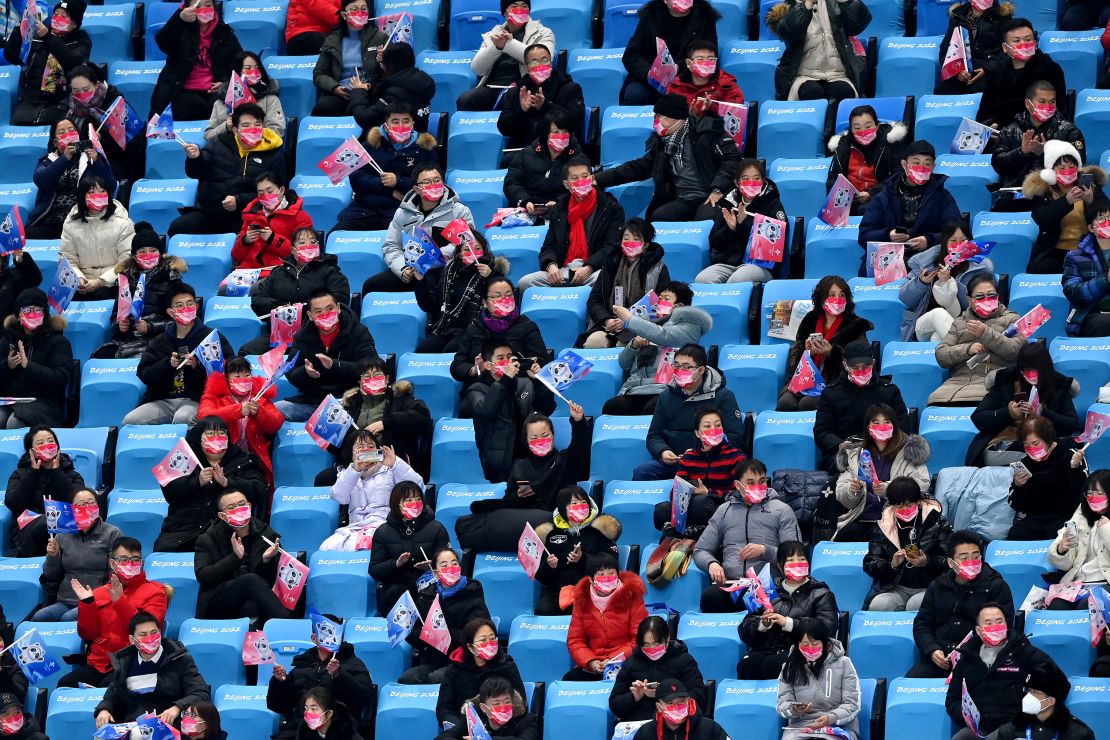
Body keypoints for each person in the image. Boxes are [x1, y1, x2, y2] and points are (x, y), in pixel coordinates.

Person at [456, 406, 590, 554]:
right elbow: (508, 501)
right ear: (526, 440)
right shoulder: (519, 466)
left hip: (551, 518)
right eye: (534, 438)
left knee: (543, 521)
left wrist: (578, 421)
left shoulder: (565, 460)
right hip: (520, 518)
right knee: (466, 523)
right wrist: (518, 496)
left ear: (553, 435)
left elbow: (580, 446)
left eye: (545, 435)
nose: (540, 440)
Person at [595, 95, 739, 223]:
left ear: (675, 118)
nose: (655, 121)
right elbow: (637, 167)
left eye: (659, 116)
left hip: (710, 196)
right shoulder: (662, 145)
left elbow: (732, 159)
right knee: (660, 216)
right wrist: (598, 178)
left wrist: (718, 189)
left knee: (706, 218)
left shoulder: (707, 132)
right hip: (683, 199)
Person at [693, 458, 803, 613]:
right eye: (751, 483)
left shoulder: (782, 510)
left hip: (769, 587)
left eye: (762, 481)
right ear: (738, 485)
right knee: (710, 597)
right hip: (733, 585)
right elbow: (700, 550)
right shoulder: (724, 511)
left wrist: (765, 551)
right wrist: (712, 564)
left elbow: (796, 556)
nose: (758, 486)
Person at [62, 536, 168, 689]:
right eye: (124, 560)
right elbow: (88, 634)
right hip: (100, 663)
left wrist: (120, 601)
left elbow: (145, 631)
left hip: (132, 662)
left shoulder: (156, 592)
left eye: (136, 560)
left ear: (142, 562)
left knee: (108, 689)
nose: (130, 564)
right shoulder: (100, 592)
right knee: (65, 685)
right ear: (113, 563)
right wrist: (87, 604)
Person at [123, 282, 234, 426]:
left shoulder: (211, 337)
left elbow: (228, 369)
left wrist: (198, 365)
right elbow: (144, 373)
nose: (186, 308)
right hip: (161, 400)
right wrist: (167, 364)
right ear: (170, 312)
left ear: (196, 307)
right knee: (131, 420)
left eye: (190, 304)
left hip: (197, 399)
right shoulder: (160, 341)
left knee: (183, 418)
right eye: (179, 305)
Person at [908, 529, 1015, 678]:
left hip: (978, 659)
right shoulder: (937, 586)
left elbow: (1003, 628)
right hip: (940, 659)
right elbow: (922, 624)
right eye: (964, 558)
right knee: (911, 686)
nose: (971, 562)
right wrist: (932, 649)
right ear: (951, 562)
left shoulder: (996, 587)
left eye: (976, 556)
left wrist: (968, 652)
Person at [155, 415, 268, 552]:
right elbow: (170, 492)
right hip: (183, 531)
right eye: (210, 434)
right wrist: (197, 482)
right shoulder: (185, 456)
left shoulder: (243, 460)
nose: (217, 438)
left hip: (226, 532)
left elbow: (259, 490)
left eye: (222, 434)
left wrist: (227, 482)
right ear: (199, 437)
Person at [171, 103, 286, 237]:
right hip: (210, 212)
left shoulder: (274, 155)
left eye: (257, 124)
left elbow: (277, 194)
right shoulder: (218, 143)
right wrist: (196, 158)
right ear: (236, 130)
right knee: (178, 228)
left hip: (246, 216)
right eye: (246, 125)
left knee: (245, 239)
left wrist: (240, 201)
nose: (253, 129)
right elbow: (195, 173)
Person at [946, 603, 1058, 740]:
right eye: (988, 623)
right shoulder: (967, 658)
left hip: (1015, 726)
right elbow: (952, 699)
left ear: (1006, 624)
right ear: (979, 630)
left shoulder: (1024, 652)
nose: (995, 626)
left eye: (999, 622)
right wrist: (966, 717)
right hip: (978, 726)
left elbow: (1056, 682)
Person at [635, 343, 743, 481]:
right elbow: (654, 435)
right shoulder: (666, 397)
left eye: (686, 367)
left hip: (710, 462)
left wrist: (699, 453)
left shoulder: (723, 396)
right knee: (642, 472)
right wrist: (663, 451)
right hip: (676, 461)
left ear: (701, 369)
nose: (680, 370)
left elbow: (734, 436)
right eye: (676, 365)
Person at [362, 163, 475, 294]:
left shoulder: (458, 211)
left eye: (437, 180)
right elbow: (391, 246)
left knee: (429, 287)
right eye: (426, 182)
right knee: (371, 285)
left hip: (443, 269)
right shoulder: (403, 213)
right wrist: (402, 269)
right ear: (416, 189)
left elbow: (466, 244)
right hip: (410, 269)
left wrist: (426, 263)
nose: (433, 185)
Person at [602, 282, 713, 416]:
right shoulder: (647, 325)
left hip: (665, 389)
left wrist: (629, 319)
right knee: (612, 407)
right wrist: (634, 345)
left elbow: (663, 335)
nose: (660, 302)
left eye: (666, 299)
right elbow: (623, 363)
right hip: (635, 389)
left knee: (653, 408)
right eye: (659, 298)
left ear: (679, 306)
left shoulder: (690, 325)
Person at [516, 155, 623, 290]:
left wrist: (589, 267)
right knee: (525, 283)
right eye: (575, 178)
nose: (581, 181)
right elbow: (549, 246)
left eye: (585, 176)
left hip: (593, 270)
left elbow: (611, 247)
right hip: (564, 270)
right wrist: (551, 266)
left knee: (603, 279)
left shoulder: (611, 207)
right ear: (567, 184)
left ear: (593, 178)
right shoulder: (559, 208)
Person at [967, 341, 1080, 466]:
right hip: (1006, 442)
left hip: (1045, 442)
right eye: (1027, 370)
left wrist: (1043, 412)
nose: (1031, 373)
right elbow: (978, 417)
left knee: (1057, 450)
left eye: (1035, 369)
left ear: (1045, 368)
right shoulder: (1005, 381)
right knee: (1041, 455)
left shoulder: (1059, 385)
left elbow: (1071, 425)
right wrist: (1008, 413)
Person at [738, 542, 839, 680]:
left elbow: (827, 629)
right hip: (768, 649)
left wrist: (789, 623)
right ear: (780, 566)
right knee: (747, 664)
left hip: (802, 651)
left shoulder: (822, 594)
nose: (797, 563)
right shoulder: (767, 590)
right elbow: (744, 630)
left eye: (802, 559)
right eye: (790, 560)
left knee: (773, 664)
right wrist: (761, 625)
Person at [93, 610, 210, 728]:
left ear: (160, 632)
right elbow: (111, 697)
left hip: (168, 725)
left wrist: (177, 707)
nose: (150, 638)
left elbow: (201, 693)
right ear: (132, 640)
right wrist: (104, 710)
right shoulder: (124, 663)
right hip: (131, 725)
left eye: (154, 632)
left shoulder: (179, 659)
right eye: (143, 635)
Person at [334, 102, 438, 232]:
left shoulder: (425, 149)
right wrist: (386, 187)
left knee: (398, 241)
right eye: (395, 121)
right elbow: (356, 178)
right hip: (364, 209)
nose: (400, 126)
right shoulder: (368, 145)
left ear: (413, 123)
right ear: (386, 124)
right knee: (335, 236)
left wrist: (398, 181)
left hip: (402, 210)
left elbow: (432, 182)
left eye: (405, 121)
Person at [277, 289, 378, 422]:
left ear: (338, 308)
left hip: (348, 401)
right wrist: (306, 373)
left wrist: (335, 365)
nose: (325, 314)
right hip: (314, 401)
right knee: (275, 412)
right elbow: (290, 371)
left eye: (329, 309)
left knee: (335, 423)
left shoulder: (358, 332)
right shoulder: (302, 336)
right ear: (310, 315)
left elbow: (371, 368)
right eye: (318, 311)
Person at [833, 405, 931, 542]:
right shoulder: (855, 455)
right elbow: (842, 494)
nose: (882, 426)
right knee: (845, 536)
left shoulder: (910, 452)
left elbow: (922, 484)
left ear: (894, 426)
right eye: (876, 423)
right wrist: (854, 490)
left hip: (900, 518)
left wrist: (888, 489)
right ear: (868, 428)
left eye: (887, 422)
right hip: (864, 519)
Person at [462, 341, 557, 483]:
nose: (507, 361)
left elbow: (546, 410)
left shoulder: (524, 383)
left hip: (530, 457)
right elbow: (487, 411)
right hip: (501, 463)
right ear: (488, 365)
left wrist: (538, 381)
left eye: (509, 356)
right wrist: (505, 380)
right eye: (500, 358)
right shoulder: (476, 390)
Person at [857, 140, 963, 266]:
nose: (921, 168)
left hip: (927, 261)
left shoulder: (943, 197)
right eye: (916, 162)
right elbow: (864, 235)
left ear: (933, 167)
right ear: (904, 164)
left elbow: (957, 234)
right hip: (887, 261)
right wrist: (888, 235)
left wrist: (929, 240)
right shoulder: (884, 196)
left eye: (927, 164)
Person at [813, 341, 911, 475]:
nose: (861, 371)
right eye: (855, 367)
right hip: (845, 455)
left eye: (865, 366)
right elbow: (822, 431)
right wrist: (841, 445)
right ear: (845, 365)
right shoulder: (831, 393)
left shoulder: (889, 391)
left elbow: (903, 426)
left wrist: (882, 445)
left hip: (884, 451)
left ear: (874, 362)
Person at [777, 277, 873, 412]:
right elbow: (794, 361)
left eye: (841, 295)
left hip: (836, 383)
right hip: (806, 379)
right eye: (832, 295)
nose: (837, 299)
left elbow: (859, 363)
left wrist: (832, 352)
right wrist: (808, 352)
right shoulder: (810, 319)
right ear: (822, 299)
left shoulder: (855, 325)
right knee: (785, 404)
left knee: (807, 404)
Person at [194, 488, 292, 622]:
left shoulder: (266, 535)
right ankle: (287, 622)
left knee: (251, 608)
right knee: (249, 579)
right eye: (231, 507)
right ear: (222, 516)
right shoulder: (208, 539)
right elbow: (204, 576)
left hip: (252, 598)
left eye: (242, 504)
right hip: (219, 601)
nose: (238, 509)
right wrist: (234, 558)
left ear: (250, 506)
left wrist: (266, 561)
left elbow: (271, 581)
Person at [266, 616, 372, 739]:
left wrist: (340, 676)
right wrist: (280, 683)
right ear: (314, 638)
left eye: (334, 633)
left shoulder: (353, 664)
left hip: (339, 730)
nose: (330, 638)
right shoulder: (301, 666)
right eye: (324, 633)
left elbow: (365, 698)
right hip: (299, 729)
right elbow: (279, 706)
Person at [927, 274, 1024, 406]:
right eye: (979, 297)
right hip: (955, 384)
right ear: (969, 300)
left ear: (998, 296)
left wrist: (985, 333)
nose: (986, 299)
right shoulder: (959, 322)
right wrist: (966, 349)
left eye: (991, 295)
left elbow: (1015, 351)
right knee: (934, 399)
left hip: (993, 382)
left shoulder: (1012, 319)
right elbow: (941, 355)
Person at [399, 547, 491, 684]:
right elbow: (413, 632)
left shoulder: (472, 595)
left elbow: (478, 635)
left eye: (454, 563)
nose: (451, 568)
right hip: (433, 659)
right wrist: (427, 635)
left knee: (437, 679)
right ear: (435, 573)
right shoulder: (426, 597)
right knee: (407, 678)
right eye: (444, 565)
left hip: (462, 659)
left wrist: (445, 635)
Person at [322, 430, 425, 550]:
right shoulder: (346, 473)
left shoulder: (389, 468)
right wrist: (355, 470)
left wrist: (396, 464)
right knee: (327, 546)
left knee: (368, 543)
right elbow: (339, 496)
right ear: (352, 453)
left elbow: (418, 487)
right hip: (355, 527)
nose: (367, 450)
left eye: (371, 446)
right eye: (361, 447)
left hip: (385, 523)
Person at [654, 406, 747, 539]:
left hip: (719, 507)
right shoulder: (688, 457)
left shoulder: (736, 457)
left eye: (717, 425)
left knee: (703, 504)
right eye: (707, 426)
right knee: (662, 510)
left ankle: (691, 533)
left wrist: (709, 493)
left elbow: (740, 494)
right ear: (698, 433)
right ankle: (687, 532)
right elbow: (675, 492)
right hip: (689, 506)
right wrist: (685, 491)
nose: (713, 430)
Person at [580, 218, 672, 348]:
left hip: (642, 326)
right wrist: (607, 320)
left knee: (622, 345)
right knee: (593, 343)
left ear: (645, 245)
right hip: (610, 325)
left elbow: (664, 305)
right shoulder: (611, 264)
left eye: (636, 239)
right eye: (626, 238)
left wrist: (630, 321)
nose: (630, 242)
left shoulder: (658, 269)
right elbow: (594, 301)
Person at [863, 479, 953, 611]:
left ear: (918, 501)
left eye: (909, 504)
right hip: (895, 588)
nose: (905, 509)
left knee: (915, 605)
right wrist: (891, 565)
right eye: (899, 506)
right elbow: (870, 564)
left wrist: (927, 561)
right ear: (892, 505)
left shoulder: (937, 523)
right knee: (879, 605)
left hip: (929, 586)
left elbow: (953, 561)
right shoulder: (883, 526)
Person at [898, 219, 995, 342]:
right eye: (953, 241)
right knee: (939, 313)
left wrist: (950, 283)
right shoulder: (924, 263)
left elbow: (978, 305)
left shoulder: (978, 268)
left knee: (937, 339)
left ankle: (959, 351)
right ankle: (964, 348)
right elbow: (905, 298)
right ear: (945, 242)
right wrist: (922, 283)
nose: (959, 245)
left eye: (963, 240)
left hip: (960, 322)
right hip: (924, 323)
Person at [102, 222, 188, 360]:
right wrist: (120, 326)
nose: (148, 255)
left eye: (153, 250)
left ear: (160, 253)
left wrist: (151, 327)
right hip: (128, 340)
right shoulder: (124, 279)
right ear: (134, 256)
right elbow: (115, 316)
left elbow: (183, 319)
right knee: (100, 355)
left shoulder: (172, 279)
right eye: (142, 252)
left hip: (160, 339)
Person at [333, 358, 431, 477]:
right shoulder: (351, 404)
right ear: (360, 382)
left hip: (389, 462)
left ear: (387, 378)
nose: (372, 379)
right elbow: (339, 447)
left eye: (377, 375)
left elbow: (421, 417)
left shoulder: (401, 398)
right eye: (367, 376)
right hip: (357, 463)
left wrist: (386, 423)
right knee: (324, 478)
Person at [35, 487, 121, 622]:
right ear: (71, 510)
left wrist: (99, 596)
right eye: (81, 504)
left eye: (91, 502)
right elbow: (50, 575)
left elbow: (115, 574)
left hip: (95, 599)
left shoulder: (112, 533)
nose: (87, 507)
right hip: (65, 600)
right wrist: (53, 556)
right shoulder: (62, 535)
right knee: (40, 617)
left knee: (68, 618)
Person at [198, 356, 285, 489]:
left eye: (246, 375)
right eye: (237, 376)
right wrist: (237, 410)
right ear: (227, 379)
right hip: (223, 459)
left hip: (253, 460)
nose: (242, 379)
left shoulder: (260, 397)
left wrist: (259, 412)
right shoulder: (214, 396)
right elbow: (203, 418)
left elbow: (276, 424)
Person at [148, 0, 243, 121]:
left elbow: (240, 64)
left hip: (213, 92)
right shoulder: (180, 29)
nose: (204, 9)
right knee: (192, 105)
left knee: (222, 109)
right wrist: (179, 18)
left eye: (208, 5)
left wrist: (227, 84)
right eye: (198, 6)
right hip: (182, 91)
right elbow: (163, 43)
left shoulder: (225, 34)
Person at [413, 233, 508, 354]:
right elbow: (428, 305)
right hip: (445, 328)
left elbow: (501, 305)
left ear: (484, 250)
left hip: (475, 329)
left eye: (477, 248)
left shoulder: (493, 272)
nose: (473, 252)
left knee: (451, 351)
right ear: (459, 253)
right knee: (423, 350)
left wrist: (491, 277)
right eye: (467, 249)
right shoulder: (449, 273)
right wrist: (420, 282)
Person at [696, 158, 787, 285]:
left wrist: (745, 223)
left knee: (737, 280)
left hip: (759, 266)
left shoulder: (772, 204)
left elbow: (775, 242)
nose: (751, 183)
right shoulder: (728, 203)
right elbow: (715, 242)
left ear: (763, 181)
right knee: (702, 279)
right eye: (745, 178)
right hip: (728, 263)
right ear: (737, 182)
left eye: (756, 178)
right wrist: (730, 229)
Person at [1024, 140, 1107, 275]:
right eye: (1061, 168)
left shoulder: (1091, 186)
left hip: (1089, 248)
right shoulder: (1043, 190)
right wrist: (1065, 202)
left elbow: (1106, 215)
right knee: (1043, 268)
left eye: (1071, 166)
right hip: (1055, 251)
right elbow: (1042, 220)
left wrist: (1091, 201)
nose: (1067, 171)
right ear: (1051, 171)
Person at [535, 486, 620, 615]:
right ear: (563, 508)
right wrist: (548, 565)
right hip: (557, 591)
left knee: (576, 611)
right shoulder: (550, 534)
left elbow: (611, 563)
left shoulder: (600, 529)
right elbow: (540, 576)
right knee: (543, 610)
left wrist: (583, 558)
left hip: (590, 589)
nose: (580, 506)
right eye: (574, 503)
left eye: (584, 502)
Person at [2, 0, 90, 125]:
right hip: (30, 101)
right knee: (19, 123)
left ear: (74, 24)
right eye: (55, 14)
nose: (57, 18)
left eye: (63, 16)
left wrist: (48, 37)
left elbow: (72, 61)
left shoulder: (81, 40)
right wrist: (20, 28)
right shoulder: (37, 34)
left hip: (61, 102)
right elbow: (11, 56)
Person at [26, 116, 116, 240]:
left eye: (72, 130)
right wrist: (64, 159)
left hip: (81, 221)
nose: (68, 134)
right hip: (51, 222)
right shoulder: (48, 161)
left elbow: (111, 186)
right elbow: (41, 180)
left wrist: (97, 162)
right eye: (62, 133)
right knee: (25, 237)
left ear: (78, 134)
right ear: (56, 143)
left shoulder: (90, 158)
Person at [367, 481, 449, 614]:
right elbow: (374, 569)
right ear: (396, 503)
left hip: (430, 592)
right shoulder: (382, 532)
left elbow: (449, 561)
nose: (415, 503)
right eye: (409, 500)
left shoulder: (437, 528)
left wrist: (434, 565)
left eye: (418, 499)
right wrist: (396, 563)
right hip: (397, 596)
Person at [764, 0, 870, 103]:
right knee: (812, 92)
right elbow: (790, 34)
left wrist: (846, 2)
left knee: (843, 91)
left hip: (838, 74)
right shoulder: (788, 7)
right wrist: (807, 4)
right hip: (803, 75)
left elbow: (859, 24)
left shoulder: (835, 4)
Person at [620, 0, 721, 106]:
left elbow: (709, 57)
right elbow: (631, 55)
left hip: (688, 78)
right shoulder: (651, 14)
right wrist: (649, 73)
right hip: (651, 78)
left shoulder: (704, 17)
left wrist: (678, 68)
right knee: (635, 95)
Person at [565, 553, 648, 681]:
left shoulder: (633, 597)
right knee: (569, 679)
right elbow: (575, 640)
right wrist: (591, 661)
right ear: (591, 580)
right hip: (595, 665)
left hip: (625, 663)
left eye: (611, 573)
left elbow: (639, 638)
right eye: (601, 574)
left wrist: (613, 659)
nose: (607, 578)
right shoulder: (582, 601)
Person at [4, 425, 85, 557]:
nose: (47, 445)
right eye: (40, 443)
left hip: (65, 537)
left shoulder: (72, 475)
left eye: (51, 441)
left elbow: (78, 505)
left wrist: (56, 473)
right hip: (28, 539)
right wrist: (32, 474)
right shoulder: (20, 474)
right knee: (46, 520)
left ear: (57, 446)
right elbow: (13, 504)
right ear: (31, 451)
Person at [460, 0, 555, 111]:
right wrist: (497, 47)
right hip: (493, 87)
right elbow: (478, 69)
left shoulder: (543, 33)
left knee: (511, 100)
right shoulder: (493, 34)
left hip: (523, 87)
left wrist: (508, 44)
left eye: (524, 6)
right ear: (505, 12)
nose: (520, 10)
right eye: (514, 6)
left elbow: (542, 60)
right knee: (466, 100)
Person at [435, 617, 527, 732]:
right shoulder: (455, 670)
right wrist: (462, 728)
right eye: (483, 640)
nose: (489, 643)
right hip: (465, 729)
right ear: (470, 646)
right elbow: (444, 709)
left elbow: (521, 703)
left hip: (502, 730)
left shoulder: (507, 665)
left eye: (492, 639)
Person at [449, 277, 547, 383]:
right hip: (482, 388)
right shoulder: (475, 328)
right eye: (497, 296)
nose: (504, 299)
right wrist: (475, 369)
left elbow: (541, 360)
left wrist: (529, 368)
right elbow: (457, 365)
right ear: (485, 302)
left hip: (517, 386)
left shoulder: (527, 326)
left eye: (509, 295)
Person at [0, 288, 74, 429]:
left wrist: (28, 367)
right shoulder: (7, 340)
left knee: (14, 423)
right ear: (18, 315)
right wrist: (7, 365)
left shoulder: (58, 341)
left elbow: (60, 378)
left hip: (46, 402)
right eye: (27, 310)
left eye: (37, 310)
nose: (32, 314)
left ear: (45, 313)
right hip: (11, 401)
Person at [776, 618, 861, 740]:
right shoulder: (789, 667)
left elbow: (853, 704)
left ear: (825, 642)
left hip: (837, 727)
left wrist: (830, 718)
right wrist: (793, 709)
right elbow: (782, 706)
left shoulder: (844, 664)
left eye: (815, 644)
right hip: (800, 728)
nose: (810, 648)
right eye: (804, 644)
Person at [609, 616, 706, 723]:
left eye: (656, 644)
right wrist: (634, 697)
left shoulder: (684, 660)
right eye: (646, 645)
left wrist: (667, 695)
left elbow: (700, 697)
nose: (651, 649)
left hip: (676, 723)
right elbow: (614, 705)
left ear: (667, 638)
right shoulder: (631, 663)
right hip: (639, 723)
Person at [991, 81, 1085, 189]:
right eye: (1042, 101)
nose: (1048, 106)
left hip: (1054, 192)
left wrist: (1046, 153)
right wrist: (1021, 152)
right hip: (1018, 192)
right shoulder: (1009, 131)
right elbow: (998, 166)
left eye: (1052, 102)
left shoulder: (1070, 131)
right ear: (1028, 103)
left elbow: (1079, 162)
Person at [1008, 416, 1088, 540]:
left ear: (1048, 439)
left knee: (1058, 534)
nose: (1031, 449)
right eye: (1026, 445)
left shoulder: (1071, 456)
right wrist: (1018, 486)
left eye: (1035, 443)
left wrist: (1074, 469)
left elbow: (1083, 495)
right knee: (1015, 533)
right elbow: (1016, 505)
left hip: (1066, 517)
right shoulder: (1024, 464)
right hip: (1034, 519)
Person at [977, 18, 1066, 127]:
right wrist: (989, 127)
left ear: (1035, 42)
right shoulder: (997, 74)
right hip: (998, 136)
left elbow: (1056, 112)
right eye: (1016, 41)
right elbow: (984, 113)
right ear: (1005, 48)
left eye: (1027, 39)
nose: (1023, 44)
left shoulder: (1050, 70)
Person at [60, 175, 135, 301]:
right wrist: (79, 279)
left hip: (113, 281)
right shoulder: (70, 224)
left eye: (102, 191)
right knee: (66, 297)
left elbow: (126, 261)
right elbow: (68, 259)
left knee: (102, 295)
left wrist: (100, 282)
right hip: (83, 282)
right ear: (82, 197)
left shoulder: (123, 223)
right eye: (91, 192)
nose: (98, 195)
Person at [496, 43, 584, 151]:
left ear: (551, 62)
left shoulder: (570, 88)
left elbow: (575, 121)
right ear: (526, 66)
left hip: (559, 152)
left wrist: (546, 106)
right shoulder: (516, 91)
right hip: (523, 151)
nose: (540, 65)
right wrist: (521, 111)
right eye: (534, 62)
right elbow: (504, 129)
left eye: (545, 60)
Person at [249, 228, 350, 320]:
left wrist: (303, 309)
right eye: (302, 242)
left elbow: (340, 299)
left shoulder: (330, 271)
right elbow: (258, 299)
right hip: (281, 329)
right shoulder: (279, 273)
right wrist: (278, 306)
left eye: (313, 242)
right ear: (293, 250)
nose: (308, 245)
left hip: (316, 328)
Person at [504, 109, 586, 220]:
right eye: (556, 132)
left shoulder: (578, 159)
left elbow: (583, 187)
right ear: (546, 134)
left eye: (565, 131)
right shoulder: (525, 155)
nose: (561, 136)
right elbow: (511, 182)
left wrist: (559, 203)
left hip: (563, 213)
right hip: (527, 212)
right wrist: (526, 201)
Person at [825, 107, 908, 216]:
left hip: (880, 197)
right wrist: (845, 196)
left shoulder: (890, 143)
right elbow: (833, 178)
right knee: (832, 213)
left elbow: (897, 175)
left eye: (868, 126)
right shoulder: (843, 146)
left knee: (864, 211)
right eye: (857, 128)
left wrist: (871, 194)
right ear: (851, 130)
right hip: (849, 198)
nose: (863, 132)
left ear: (877, 126)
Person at [310, 0, 386, 117]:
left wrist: (384, 61)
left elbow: (392, 70)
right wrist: (335, 88)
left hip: (369, 91)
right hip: (342, 93)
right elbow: (319, 74)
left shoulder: (380, 38)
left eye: (364, 9)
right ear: (344, 15)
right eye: (354, 9)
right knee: (323, 107)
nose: (360, 13)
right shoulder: (332, 40)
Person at [1046, 470, 1110, 607]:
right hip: (1079, 583)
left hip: (1106, 582)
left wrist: (1106, 529)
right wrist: (1061, 550)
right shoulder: (1081, 514)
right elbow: (1064, 563)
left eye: (1100, 493)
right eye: (1090, 493)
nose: (1094, 497)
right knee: (1057, 605)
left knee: (1087, 605)